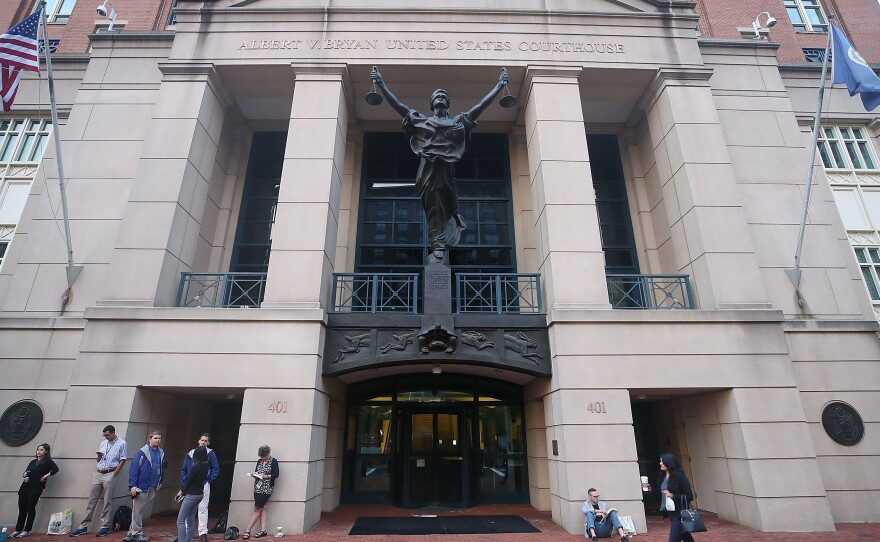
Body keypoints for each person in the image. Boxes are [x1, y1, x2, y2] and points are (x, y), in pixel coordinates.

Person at [370, 66, 509, 261]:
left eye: (444, 95)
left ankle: (444, 239)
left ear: (448, 103)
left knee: (450, 210)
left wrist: (498, 87)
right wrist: (381, 84)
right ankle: (438, 243)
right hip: (428, 174)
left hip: (447, 175)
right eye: (437, 95)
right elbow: (399, 106)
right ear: (432, 103)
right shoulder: (422, 122)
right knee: (434, 208)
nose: (440, 96)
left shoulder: (457, 122)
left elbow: (479, 108)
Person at [69, 425, 128, 537]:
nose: (106, 437)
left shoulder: (122, 443)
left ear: (113, 433)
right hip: (99, 472)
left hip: (110, 472)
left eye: (107, 435)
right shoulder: (103, 443)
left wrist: (114, 474)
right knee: (92, 500)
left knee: (107, 501)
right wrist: (99, 457)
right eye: (104, 435)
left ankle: (105, 526)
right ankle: (83, 526)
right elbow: (98, 460)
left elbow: (123, 460)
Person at [124, 430, 166, 542]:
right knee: (138, 511)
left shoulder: (161, 452)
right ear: (150, 439)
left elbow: (161, 468)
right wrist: (132, 485)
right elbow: (134, 469)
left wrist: (161, 481)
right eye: (155, 438)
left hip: (153, 486)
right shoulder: (142, 452)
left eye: (159, 438)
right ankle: (137, 533)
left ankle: (131, 533)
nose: (158, 440)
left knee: (140, 511)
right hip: (141, 486)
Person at [12, 443, 60, 538]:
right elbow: (25, 472)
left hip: (36, 488)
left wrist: (45, 477)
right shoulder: (33, 462)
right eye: (38, 449)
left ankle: (27, 530)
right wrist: (24, 474)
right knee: (22, 509)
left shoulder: (48, 462)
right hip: (25, 486)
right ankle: (18, 529)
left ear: (46, 451)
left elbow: (55, 469)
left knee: (30, 508)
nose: (39, 451)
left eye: (41, 450)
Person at [180, 433, 220, 542]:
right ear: (199, 441)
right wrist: (185, 481)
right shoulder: (191, 453)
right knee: (187, 509)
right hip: (190, 484)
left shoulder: (210, 453)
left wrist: (209, 480)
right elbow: (184, 469)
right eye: (202, 440)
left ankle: (203, 532)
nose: (203, 442)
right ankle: (184, 533)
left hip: (203, 483)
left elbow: (215, 469)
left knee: (202, 508)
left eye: (206, 441)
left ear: (208, 443)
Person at [243, 445, 279, 540]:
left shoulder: (273, 461)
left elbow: (276, 474)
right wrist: (254, 475)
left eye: (264, 456)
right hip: (257, 487)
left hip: (266, 488)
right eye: (261, 456)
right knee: (262, 508)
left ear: (268, 454)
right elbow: (256, 472)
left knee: (257, 509)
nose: (263, 458)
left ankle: (248, 530)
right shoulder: (259, 461)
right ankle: (263, 530)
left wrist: (265, 476)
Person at [658, 452, 695, 542]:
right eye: (660, 461)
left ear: (669, 462)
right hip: (671, 512)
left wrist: (672, 495)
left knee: (673, 539)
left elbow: (689, 496)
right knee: (686, 537)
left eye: (662, 461)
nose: (660, 463)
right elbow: (663, 490)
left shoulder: (679, 476)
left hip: (679, 513)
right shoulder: (663, 476)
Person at [176, 447, 210, 542]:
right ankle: (188, 540)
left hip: (191, 495)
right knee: (190, 520)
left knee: (180, 521)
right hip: (199, 494)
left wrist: (183, 492)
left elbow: (188, 481)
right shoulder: (205, 466)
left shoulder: (196, 467)